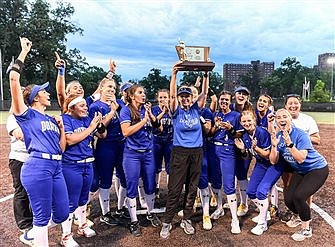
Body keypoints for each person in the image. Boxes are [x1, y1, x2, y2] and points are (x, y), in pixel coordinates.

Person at [9, 37, 69, 246]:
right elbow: (14, 80)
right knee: (42, 217)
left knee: (62, 212)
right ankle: (38, 236)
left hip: (56, 166)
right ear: (35, 97)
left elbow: (61, 149)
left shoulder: (50, 119)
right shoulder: (25, 114)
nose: (48, 93)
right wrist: (24, 52)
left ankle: (35, 233)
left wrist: (61, 129)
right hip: (37, 167)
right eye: (44, 91)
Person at [159, 62, 208, 239]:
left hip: (196, 152)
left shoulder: (196, 109)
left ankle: (186, 218)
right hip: (180, 152)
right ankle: (167, 221)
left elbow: (204, 93)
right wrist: (174, 74)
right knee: (174, 188)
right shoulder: (175, 110)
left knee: (192, 188)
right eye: (182, 96)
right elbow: (171, 95)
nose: (185, 99)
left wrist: (206, 75)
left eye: (188, 96)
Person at [269, 108, 328, 241]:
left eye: (285, 116)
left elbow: (301, 158)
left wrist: (289, 144)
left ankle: (306, 229)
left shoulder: (301, 135)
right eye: (278, 118)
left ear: (290, 119)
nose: (282, 119)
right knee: (289, 199)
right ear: (276, 121)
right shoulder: (278, 137)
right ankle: (299, 215)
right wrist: (274, 146)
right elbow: (273, 160)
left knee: (299, 196)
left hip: (317, 169)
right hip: (300, 171)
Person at [60, 94, 106, 246]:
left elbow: (103, 134)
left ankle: (82, 225)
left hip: (88, 163)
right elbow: (70, 139)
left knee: (83, 199)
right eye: (81, 106)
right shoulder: (66, 119)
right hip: (72, 164)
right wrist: (92, 127)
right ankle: (66, 236)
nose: (85, 108)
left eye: (86, 105)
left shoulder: (87, 119)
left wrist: (99, 124)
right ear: (71, 108)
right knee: (71, 202)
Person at [120, 84, 162, 236]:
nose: (143, 95)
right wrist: (143, 121)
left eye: (144, 92)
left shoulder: (146, 110)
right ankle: (133, 221)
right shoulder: (126, 110)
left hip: (148, 153)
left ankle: (150, 213)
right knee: (132, 186)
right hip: (132, 154)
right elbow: (125, 132)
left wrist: (152, 117)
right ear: (132, 96)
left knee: (150, 185)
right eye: (140, 92)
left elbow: (159, 129)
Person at [234, 110, 283, 236]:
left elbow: (268, 156)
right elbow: (247, 156)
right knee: (250, 192)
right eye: (244, 121)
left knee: (261, 191)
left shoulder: (261, 132)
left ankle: (262, 223)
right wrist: (243, 150)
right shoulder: (244, 135)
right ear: (240, 122)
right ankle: (264, 212)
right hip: (261, 164)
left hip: (273, 163)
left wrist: (256, 148)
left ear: (254, 120)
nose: (246, 123)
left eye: (249, 120)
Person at [88, 78, 126, 226]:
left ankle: (121, 208)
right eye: (109, 87)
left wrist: (119, 108)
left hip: (121, 145)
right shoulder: (95, 106)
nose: (112, 90)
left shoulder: (120, 103)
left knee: (124, 178)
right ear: (101, 88)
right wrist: (112, 111)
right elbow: (99, 129)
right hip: (106, 146)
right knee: (105, 180)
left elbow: (127, 119)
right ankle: (105, 212)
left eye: (114, 88)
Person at [280, 94, 321, 225]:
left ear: (300, 105)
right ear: (285, 106)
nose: (293, 106)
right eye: (290, 104)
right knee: (287, 184)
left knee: (304, 188)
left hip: (302, 157)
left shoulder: (307, 120)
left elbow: (317, 140)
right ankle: (292, 210)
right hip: (287, 158)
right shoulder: (281, 118)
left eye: (295, 103)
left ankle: (304, 211)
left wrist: (300, 137)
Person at [210, 90, 243, 234]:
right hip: (213, 149)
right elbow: (209, 132)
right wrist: (216, 126)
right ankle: (219, 208)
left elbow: (239, 134)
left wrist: (231, 128)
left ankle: (234, 219)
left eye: (226, 100)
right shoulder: (215, 115)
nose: (223, 102)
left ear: (230, 101)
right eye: (222, 99)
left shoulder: (236, 115)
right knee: (215, 182)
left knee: (229, 184)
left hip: (227, 150)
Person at [6, 111, 33, 246]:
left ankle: (35, 220)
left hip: (34, 158)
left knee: (35, 191)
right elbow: (19, 135)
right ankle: (25, 225)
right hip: (19, 159)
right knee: (21, 191)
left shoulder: (33, 115)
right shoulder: (13, 117)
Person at [231, 86, 253, 217]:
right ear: (235, 95)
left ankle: (244, 202)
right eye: (239, 93)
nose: (241, 95)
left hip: (245, 146)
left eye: (244, 94)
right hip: (230, 145)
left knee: (242, 174)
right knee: (230, 174)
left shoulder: (250, 110)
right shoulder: (230, 107)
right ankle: (233, 199)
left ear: (247, 97)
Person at [151, 89, 173, 198]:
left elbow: (176, 121)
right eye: (160, 97)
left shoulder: (172, 109)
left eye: (165, 97)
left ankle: (171, 189)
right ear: (157, 98)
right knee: (156, 166)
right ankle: (156, 188)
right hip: (156, 140)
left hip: (169, 140)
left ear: (169, 98)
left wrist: (168, 112)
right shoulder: (154, 109)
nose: (162, 100)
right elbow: (154, 123)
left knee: (170, 166)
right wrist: (163, 113)